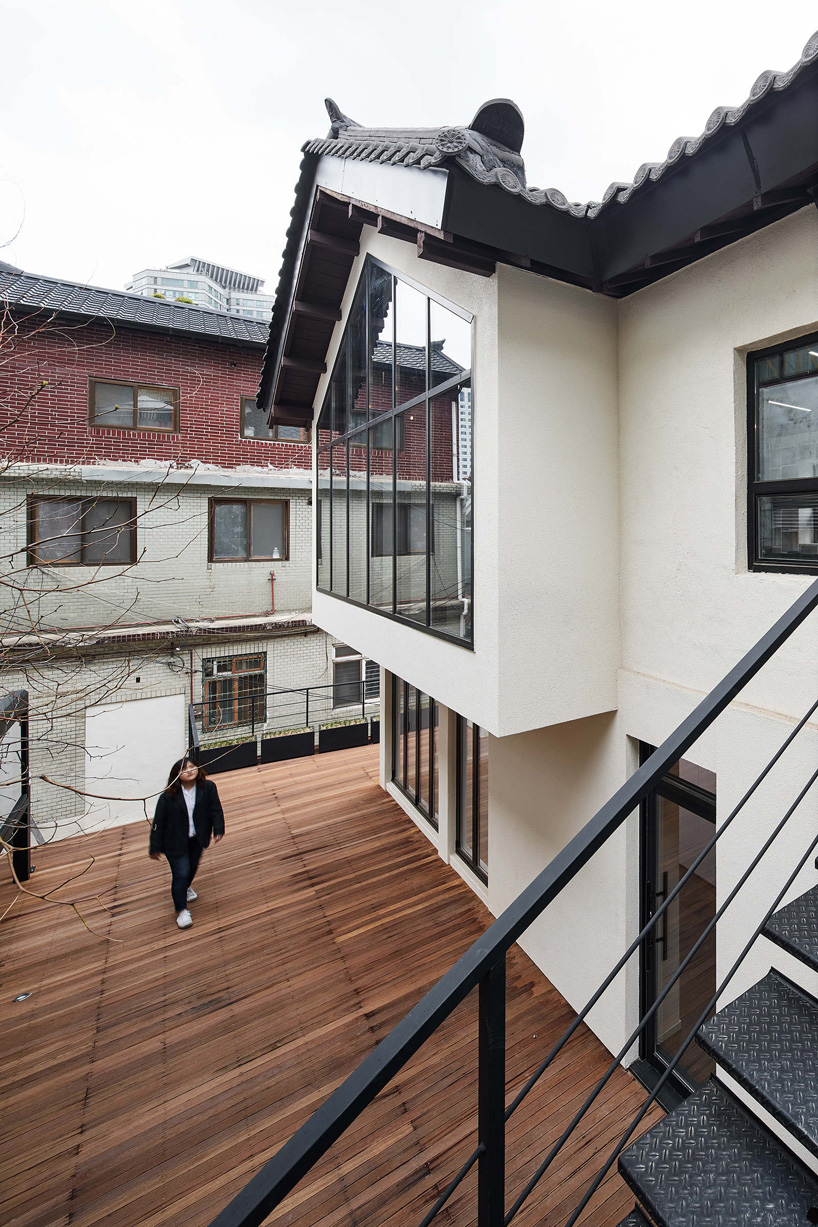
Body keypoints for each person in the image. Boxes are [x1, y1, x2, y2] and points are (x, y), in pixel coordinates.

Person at [149, 756, 224, 929]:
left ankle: (185, 888)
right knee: (181, 873)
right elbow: (158, 822)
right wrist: (155, 847)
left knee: (191, 868)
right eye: (184, 769)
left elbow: (216, 810)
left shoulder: (208, 787)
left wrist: (218, 829)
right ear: (176, 775)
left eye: (192, 767)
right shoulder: (168, 797)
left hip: (197, 838)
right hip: (173, 842)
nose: (189, 770)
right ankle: (182, 911)